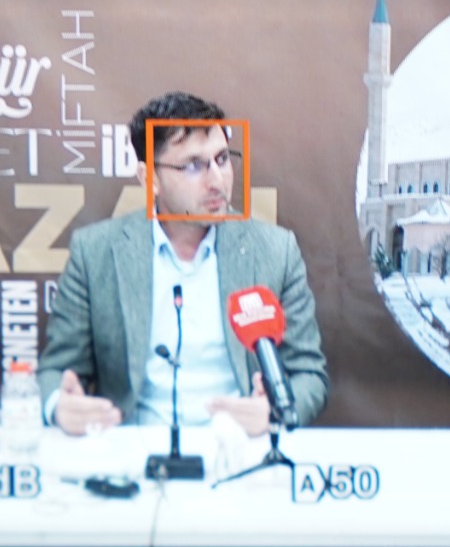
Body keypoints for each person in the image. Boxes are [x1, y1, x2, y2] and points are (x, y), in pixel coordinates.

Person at [42, 92, 327, 437]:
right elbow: (56, 370)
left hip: (239, 447)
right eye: (193, 166)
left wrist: (273, 411)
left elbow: (309, 376)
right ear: (150, 178)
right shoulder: (95, 252)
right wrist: (58, 404)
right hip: (133, 449)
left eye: (222, 159)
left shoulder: (275, 251)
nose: (217, 180)